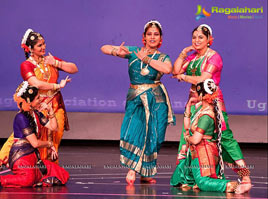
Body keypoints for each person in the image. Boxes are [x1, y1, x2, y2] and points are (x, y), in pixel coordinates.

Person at [0, 29, 78, 177]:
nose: (43, 47)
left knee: (54, 138)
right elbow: (36, 84)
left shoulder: (50, 59)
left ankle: (47, 173)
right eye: (39, 45)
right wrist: (57, 86)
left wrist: (56, 62)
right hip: (37, 106)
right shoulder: (26, 65)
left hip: (55, 106)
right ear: (30, 49)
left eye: (44, 43)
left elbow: (74, 69)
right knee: (17, 137)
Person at [172, 24, 251, 192]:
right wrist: (182, 54)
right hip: (194, 103)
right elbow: (174, 71)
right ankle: (190, 178)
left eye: (201, 37)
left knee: (225, 139)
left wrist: (183, 77)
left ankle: (245, 177)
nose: (196, 40)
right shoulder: (192, 57)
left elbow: (203, 79)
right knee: (189, 138)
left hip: (211, 102)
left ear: (209, 40)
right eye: (194, 37)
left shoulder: (214, 57)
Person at [100, 20, 175, 185]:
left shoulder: (163, 57)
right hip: (136, 98)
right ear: (144, 37)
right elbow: (104, 48)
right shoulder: (133, 51)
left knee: (155, 136)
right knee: (134, 131)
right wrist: (116, 52)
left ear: (161, 38)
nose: (153, 37)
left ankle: (146, 172)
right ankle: (132, 169)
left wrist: (146, 59)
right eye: (149, 34)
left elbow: (168, 69)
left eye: (156, 34)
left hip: (156, 100)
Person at [0, 82, 69, 188]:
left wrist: (50, 111)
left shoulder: (36, 113)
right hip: (21, 158)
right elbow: (35, 143)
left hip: (33, 158)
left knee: (61, 173)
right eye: (37, 98)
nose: (40, 100)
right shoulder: (21, 118)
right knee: (27, 180)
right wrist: (50, 143)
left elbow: (53, 127)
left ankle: (35, 177)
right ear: (29, 101)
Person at [170, 79, 248, 194]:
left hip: (203, 152)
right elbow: (187, 129)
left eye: (196, 92)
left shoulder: (207, 115)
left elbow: (196, 139)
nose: (194, 94)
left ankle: (238, 182)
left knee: (203, 182)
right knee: (177, 177)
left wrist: (187, 138)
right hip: (197, 150)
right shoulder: (201, 110)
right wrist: (188, 107)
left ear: (202, 95)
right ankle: (243, 176)